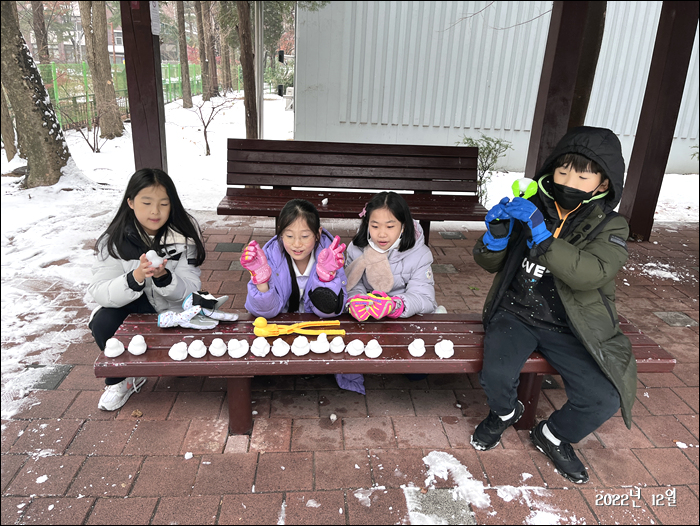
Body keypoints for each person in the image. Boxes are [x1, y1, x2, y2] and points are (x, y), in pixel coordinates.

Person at [471, 126, 635, 484]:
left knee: (604, 397)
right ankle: (504, 413)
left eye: (582, 176)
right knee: (496, 375)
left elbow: (592, 273)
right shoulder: (532, 206)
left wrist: (543, 238)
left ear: (603, 184)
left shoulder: (611, 226)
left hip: (570, 323)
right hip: (515, 312)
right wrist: (495, 237)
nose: (568, 181)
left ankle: (554, 434)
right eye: (562, 171)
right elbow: (491, 263)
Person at [88, 168, 206, 411]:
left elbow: (192, 289)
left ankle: (159, 357)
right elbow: (100, 290)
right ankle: (121, 379)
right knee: (103, 321)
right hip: (133, 308)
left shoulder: (183, 239)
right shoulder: (114, 242)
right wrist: (136, 277)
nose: (155, 211)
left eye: (164, 203)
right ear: (130, 202)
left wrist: (164, 277)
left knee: (183, 368)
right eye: (147, 202)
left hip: (173, 310)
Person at [342, 191, 441, 390]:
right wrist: (356, 300)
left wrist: (395, 305)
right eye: (375, 226)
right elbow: (352, 283)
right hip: (369, 318)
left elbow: (424, 298)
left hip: (404, 318)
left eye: (390, 226)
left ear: (403, 226)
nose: (382, 234)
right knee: (348, 355)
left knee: (417, 373)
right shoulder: (356, 248)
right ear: (367, 224)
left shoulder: (419, 253)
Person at [241, 199, 347, 319]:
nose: (296, 244)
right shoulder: (271, 257)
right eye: (289, 236)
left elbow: (329, 313)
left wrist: (326, 280)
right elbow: (265, 312)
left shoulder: (331, 259)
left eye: (304, 236)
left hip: (317, 325)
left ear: (317, 234)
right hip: (281, 326)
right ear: (281, 233)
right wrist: (262, 282)